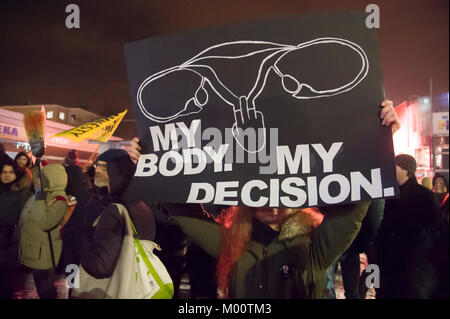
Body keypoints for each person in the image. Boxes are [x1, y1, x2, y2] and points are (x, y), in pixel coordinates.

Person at [128, 99, 400, 298]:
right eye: (262, 192)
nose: (273, 203)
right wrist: (154, 166)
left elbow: (354, 209)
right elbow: (185, 213)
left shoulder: (316, 245)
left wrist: (377, 142)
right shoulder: (231, 243)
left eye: (282, 193)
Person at [72, 150, 155, 296]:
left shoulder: (118, 208)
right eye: (97, 165)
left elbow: (100, 265)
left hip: (109, 287)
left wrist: (83, 237)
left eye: (104, 167)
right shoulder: (139, 203)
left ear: (119, 172)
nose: (97, 170)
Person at [376, 154, 439, 298]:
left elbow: (432, 229)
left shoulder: (424, 195)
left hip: (411, 261)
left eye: (395, 165)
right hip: (390, 261)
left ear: (406, 170)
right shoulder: (391, 192)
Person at [18, 164, 69, 299]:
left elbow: (45, 222)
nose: (39, 181)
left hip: (44, 255)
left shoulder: (59, 200)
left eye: (43, 178)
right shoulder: (41, 194)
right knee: (41, 287)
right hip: (34, 251)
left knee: (46, 290)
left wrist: (39, 199)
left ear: (53, 179)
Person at [0, 159, 33, 298]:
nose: (7, 175)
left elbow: (23, 220)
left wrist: (12, 242)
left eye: (11, 172)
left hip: (9, 243)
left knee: (5, 281)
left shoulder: (22, 192)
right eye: (4, 172)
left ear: (17, 174)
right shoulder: (2, 189)